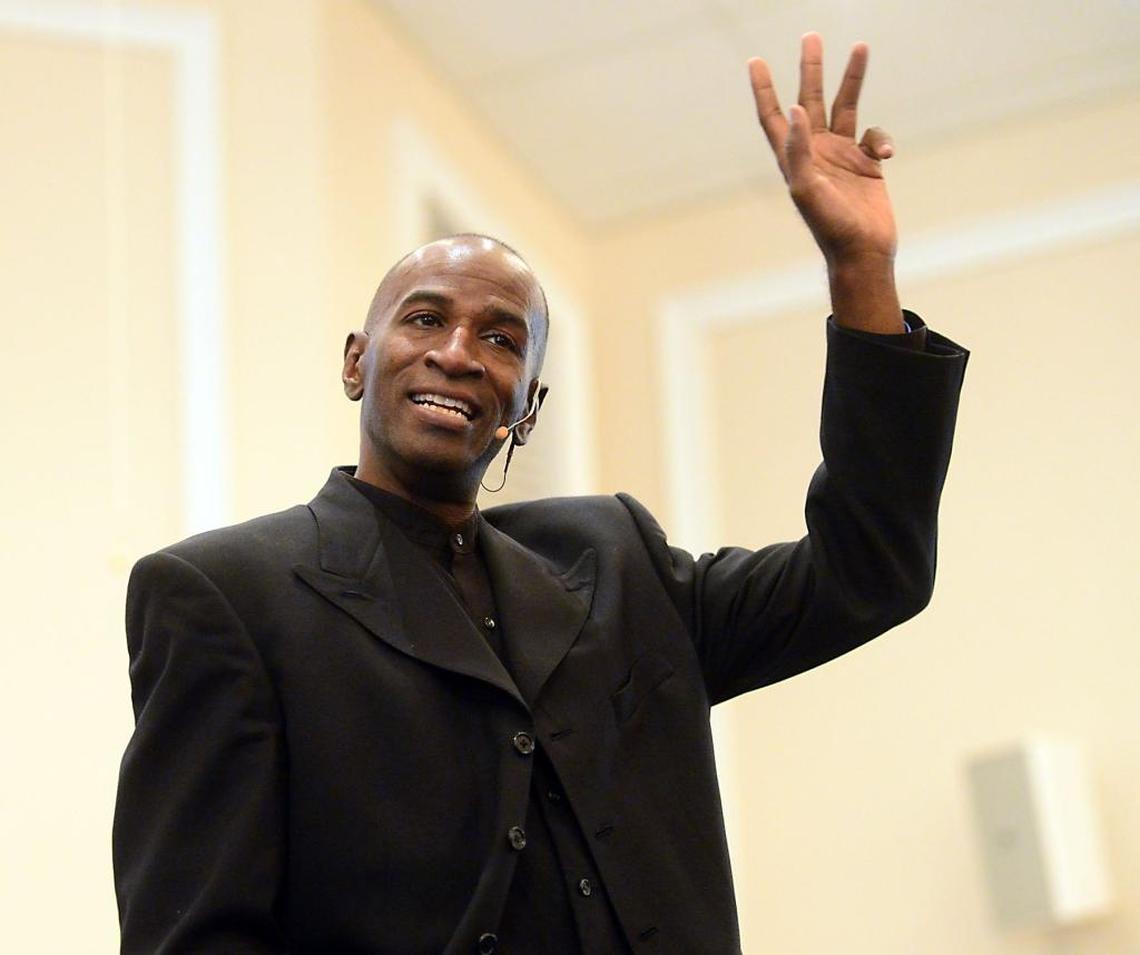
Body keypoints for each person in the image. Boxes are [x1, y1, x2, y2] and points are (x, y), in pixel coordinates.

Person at [113, 34, 968, 954]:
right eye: (426, 318)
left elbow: (867, 571)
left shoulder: (618, 564)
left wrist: (859, 269)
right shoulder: (227, 595)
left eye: (501, 339)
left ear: (527, 408)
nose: (456, 353)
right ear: (357, 361)